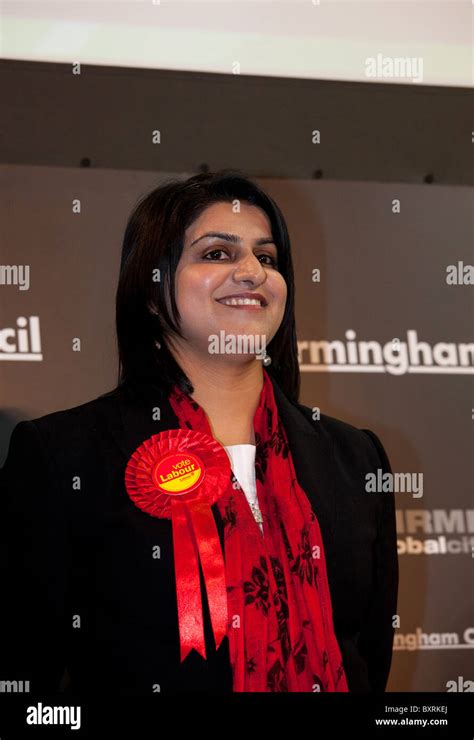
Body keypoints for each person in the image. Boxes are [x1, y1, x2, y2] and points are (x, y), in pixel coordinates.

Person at [0, 170, 398, 695]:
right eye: (216, 253)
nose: (252, 271)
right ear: (150, 288)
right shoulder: (63, 457)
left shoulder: (357, 459)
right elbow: (23, 684)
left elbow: (368, 661)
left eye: (268, 257)